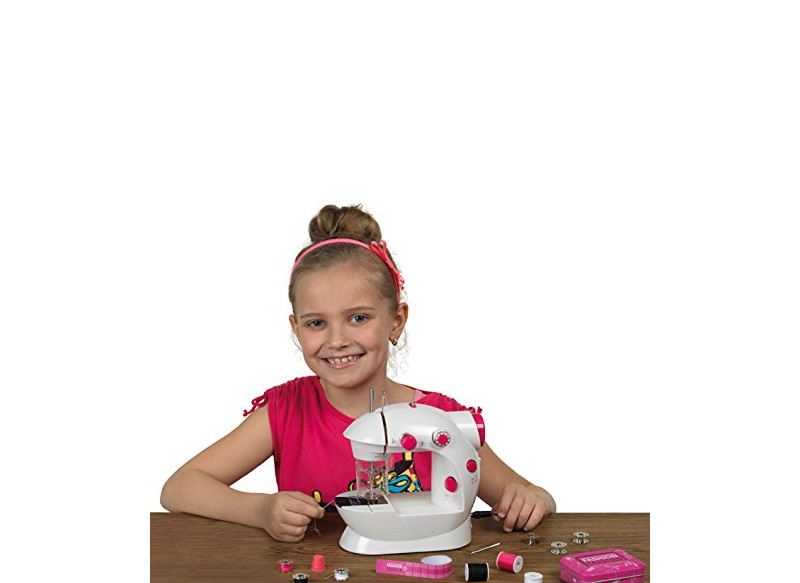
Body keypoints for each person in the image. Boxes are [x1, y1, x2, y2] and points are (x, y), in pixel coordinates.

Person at [160, 204, 556, 542]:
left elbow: (530, 495)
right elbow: (180, 487)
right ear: (296, 329)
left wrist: (532, 500)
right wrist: (260, 510)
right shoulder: (286, 411)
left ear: (396, 321)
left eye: (358, 318)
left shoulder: (442, 418)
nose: (336, 340)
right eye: (316, 323)